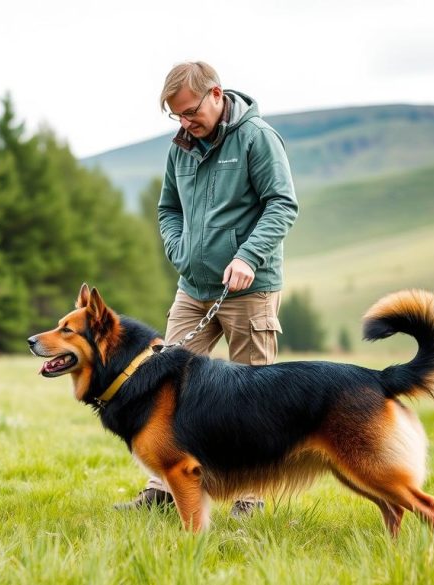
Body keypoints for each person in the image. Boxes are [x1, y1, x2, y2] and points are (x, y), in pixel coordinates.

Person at [116, 61, 298, 516]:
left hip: (249, 291)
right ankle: (163, 487)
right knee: (165, 388)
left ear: (216, 94)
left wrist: (247, 256)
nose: (185, 123)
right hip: (193, 289)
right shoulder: (181, 146)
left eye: (190, 111)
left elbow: (282, 203)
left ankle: (249, 497)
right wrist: (181, 251)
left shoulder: (258, 139)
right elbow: (168, 209)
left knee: (254, 397)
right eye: (176, 116)